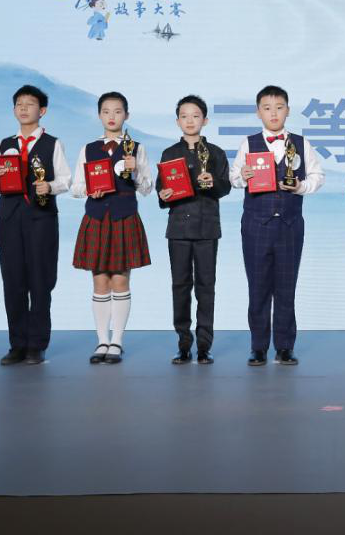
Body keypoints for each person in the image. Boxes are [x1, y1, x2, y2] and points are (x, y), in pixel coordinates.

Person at [229, 85, 324, 366]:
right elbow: (234, 178)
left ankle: (284, 347)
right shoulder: (248, 143)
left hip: (290, 225)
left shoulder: (301, 143)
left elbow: (318, 176)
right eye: (267, 108)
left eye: (279, 107)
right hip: (256, 225)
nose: (274, 113)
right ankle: (258, 347)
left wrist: (301, 186)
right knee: (258, 288)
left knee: (286, 287)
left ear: (288, 111)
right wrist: (243, 175)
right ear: (258, 112)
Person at [0, 85, 71, 366]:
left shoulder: (52, 143)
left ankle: (37, 344)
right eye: (19, 104)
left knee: (40, 281)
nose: (23, 108)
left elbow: (65, 180)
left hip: (41, 218)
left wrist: (50, 186)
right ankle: (17, 344)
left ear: (42, 110)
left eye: (30, 104)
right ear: (14, 110)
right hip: (9, 217)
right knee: (13, 281)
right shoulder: (3, 144)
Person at [71, 91, 153, 365]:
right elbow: (75, 187)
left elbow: (147, 188)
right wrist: (89, 190)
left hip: (124, 216)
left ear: (126, 115)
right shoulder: (88, 148)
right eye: (106, 111)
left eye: (118, 111)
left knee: (120, 279)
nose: (112, 116)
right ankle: (101, 341)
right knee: (99, 281)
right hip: (96, 217)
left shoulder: (136, 148)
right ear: (99, 115)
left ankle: (117, 341)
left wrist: (135, 170)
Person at [157, 95, 231, 365]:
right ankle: (183, 344)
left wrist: (212, 183)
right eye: (184, 116)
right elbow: (162, 190)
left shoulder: (216, 153)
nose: (190, 121)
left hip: (207, 228)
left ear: (205, 120)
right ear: (177, 121)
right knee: (180, 286)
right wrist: (164, 194)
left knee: (206, 287)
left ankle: (204, 346)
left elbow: (225, 187)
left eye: (195, 116)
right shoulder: (169, 154)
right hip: (178, 228)